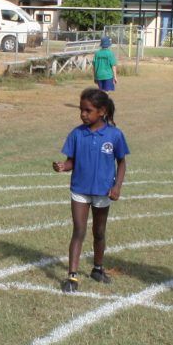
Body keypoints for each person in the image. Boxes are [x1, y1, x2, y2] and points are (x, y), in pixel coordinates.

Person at [52, 87, 128, 293]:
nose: (83, 114)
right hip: (80, 190)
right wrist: (62, 166)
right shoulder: (76, 134)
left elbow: (121, 162)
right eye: (81, 110)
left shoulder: (114, 135)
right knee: (79, 230)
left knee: (99, 232)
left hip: (103, 191)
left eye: (88, 110)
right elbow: (71, 162)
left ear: (102, 111)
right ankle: (72, 275)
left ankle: (97, 268)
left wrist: (117, 186)